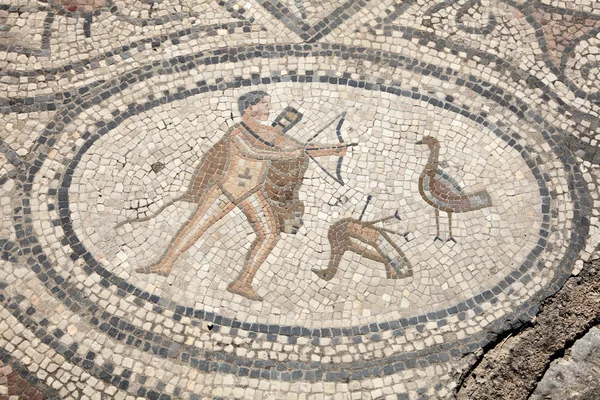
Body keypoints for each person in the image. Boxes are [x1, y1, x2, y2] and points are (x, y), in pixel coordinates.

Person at [135, 91, 347, 301]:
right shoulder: (237, 132)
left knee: (270, 234)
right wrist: (285, 155)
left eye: (268, 104)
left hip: (251, 192)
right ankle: (165, 264)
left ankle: (243, 282)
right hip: (226, 189)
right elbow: (252, 152)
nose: (268, 109)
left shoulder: (270, 134)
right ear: (249, 107)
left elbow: (301, 148)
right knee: (197, 225)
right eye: (264, 104)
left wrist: (332, 150)